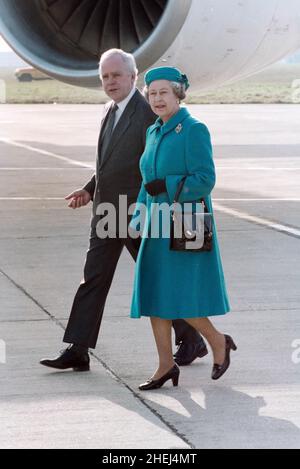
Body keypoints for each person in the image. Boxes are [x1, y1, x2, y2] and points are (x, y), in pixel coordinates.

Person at [40, 50, 207, 372]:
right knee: (93, 278)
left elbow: (159, 161)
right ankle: (78, 348)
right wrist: (90, 189)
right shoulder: (110, 109)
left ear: (133, 77)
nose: (110, 81)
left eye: (116, 75)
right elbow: (109, 161)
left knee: (157, 278)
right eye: (105, 76)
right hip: (106, 210)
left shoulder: (149, 113)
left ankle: (193, 338)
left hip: (136, 213)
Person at [129, 67, 235, 390]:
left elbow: (206, 179)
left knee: (180, 297)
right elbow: (148, 180)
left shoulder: (193, 129)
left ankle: (218, 341)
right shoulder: (153, 131)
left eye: (164, 92)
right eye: (153, 93)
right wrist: (138, 215)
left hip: (184, 223)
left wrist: (170, 184)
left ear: (178, 94)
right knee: (154, 293)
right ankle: (165, 365)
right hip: (155, 224)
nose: (157, 99)